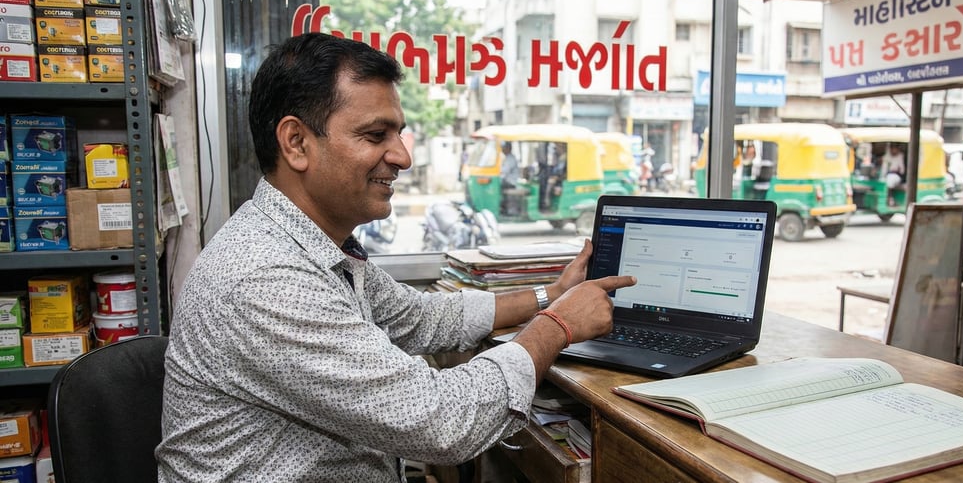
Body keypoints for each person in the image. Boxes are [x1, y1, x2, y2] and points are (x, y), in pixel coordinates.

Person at [155, 32, 636, 482]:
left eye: (398, 134)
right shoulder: (267, 277)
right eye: (374, 135)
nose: (402, 157)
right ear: (297, 143)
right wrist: (558, 326)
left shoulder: (321, 247)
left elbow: (421, 317)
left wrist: (551, 294)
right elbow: (441, 422)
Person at [499, 141, 521, 215]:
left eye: (504, 148)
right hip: (508, 181)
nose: (502, 150)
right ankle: (503, 208)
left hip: (511, 183)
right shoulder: (507, 158)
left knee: (496, 186)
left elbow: (504, 171)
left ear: (508, 148)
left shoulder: (510, 158)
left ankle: (508, 210)